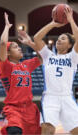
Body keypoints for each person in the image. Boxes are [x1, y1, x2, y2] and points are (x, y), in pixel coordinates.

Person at [0, 12, 41, 135]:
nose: (19, 48)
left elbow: (43, 56)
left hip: (30, 109)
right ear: (7, 53)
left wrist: (30, 43)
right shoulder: (6, 66)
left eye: (19, 46)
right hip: (14, 109)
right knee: (14, 131)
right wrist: (7, 27)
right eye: (14, 46)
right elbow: (3, 43)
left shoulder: (26, 64)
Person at [33, 6, 78, 134]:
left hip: (67, 97)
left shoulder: (73, 57)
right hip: (50, 97)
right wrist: (52, 24)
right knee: (48, 129)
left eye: (63, 38)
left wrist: (70, 19)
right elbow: (36, 38)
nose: (59, 40)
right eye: (58, 38)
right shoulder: (48, 55)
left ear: (70, 45)